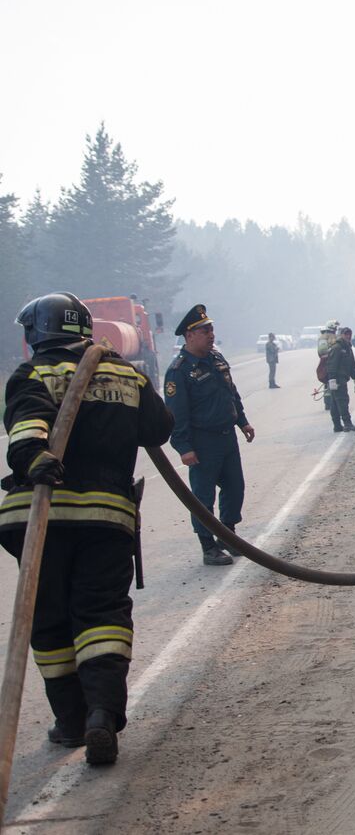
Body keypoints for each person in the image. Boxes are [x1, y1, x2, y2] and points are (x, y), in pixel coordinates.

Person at [2, 292, 174, 765]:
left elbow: (26, 430)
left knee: (50, 621)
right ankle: (103, 713)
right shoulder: (124, 372)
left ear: (35, 333)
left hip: (42, 518)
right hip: (104, 520)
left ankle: (72, 722)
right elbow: (160, 429)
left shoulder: (31, 375)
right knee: (102, 616)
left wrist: (36, 459)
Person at [164, 304, 255, 566]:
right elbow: (176, 414)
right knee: (203, 497)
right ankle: (208, 547)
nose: (211, 334)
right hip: (202, 442)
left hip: (227, 437)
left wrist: (243, 422)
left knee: (235, 487)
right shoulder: (179, 371)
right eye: (205, 330)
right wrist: (184, 447)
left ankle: (228, 536)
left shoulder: (217, 359)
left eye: (211, 329)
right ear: (190, 335)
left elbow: (231, 393)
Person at [325, 326, 355, 432]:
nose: (348, 336)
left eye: (349, 334)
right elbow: (331, 365)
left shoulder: (347, 347)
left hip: (342, 378)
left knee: (336, 403)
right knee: (342, 401)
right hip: (337, 379)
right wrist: (332, 380)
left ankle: (337, 426)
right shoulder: (337, 347)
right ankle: (347, 423)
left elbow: (352, 365)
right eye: (346, 334)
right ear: (341, 335)